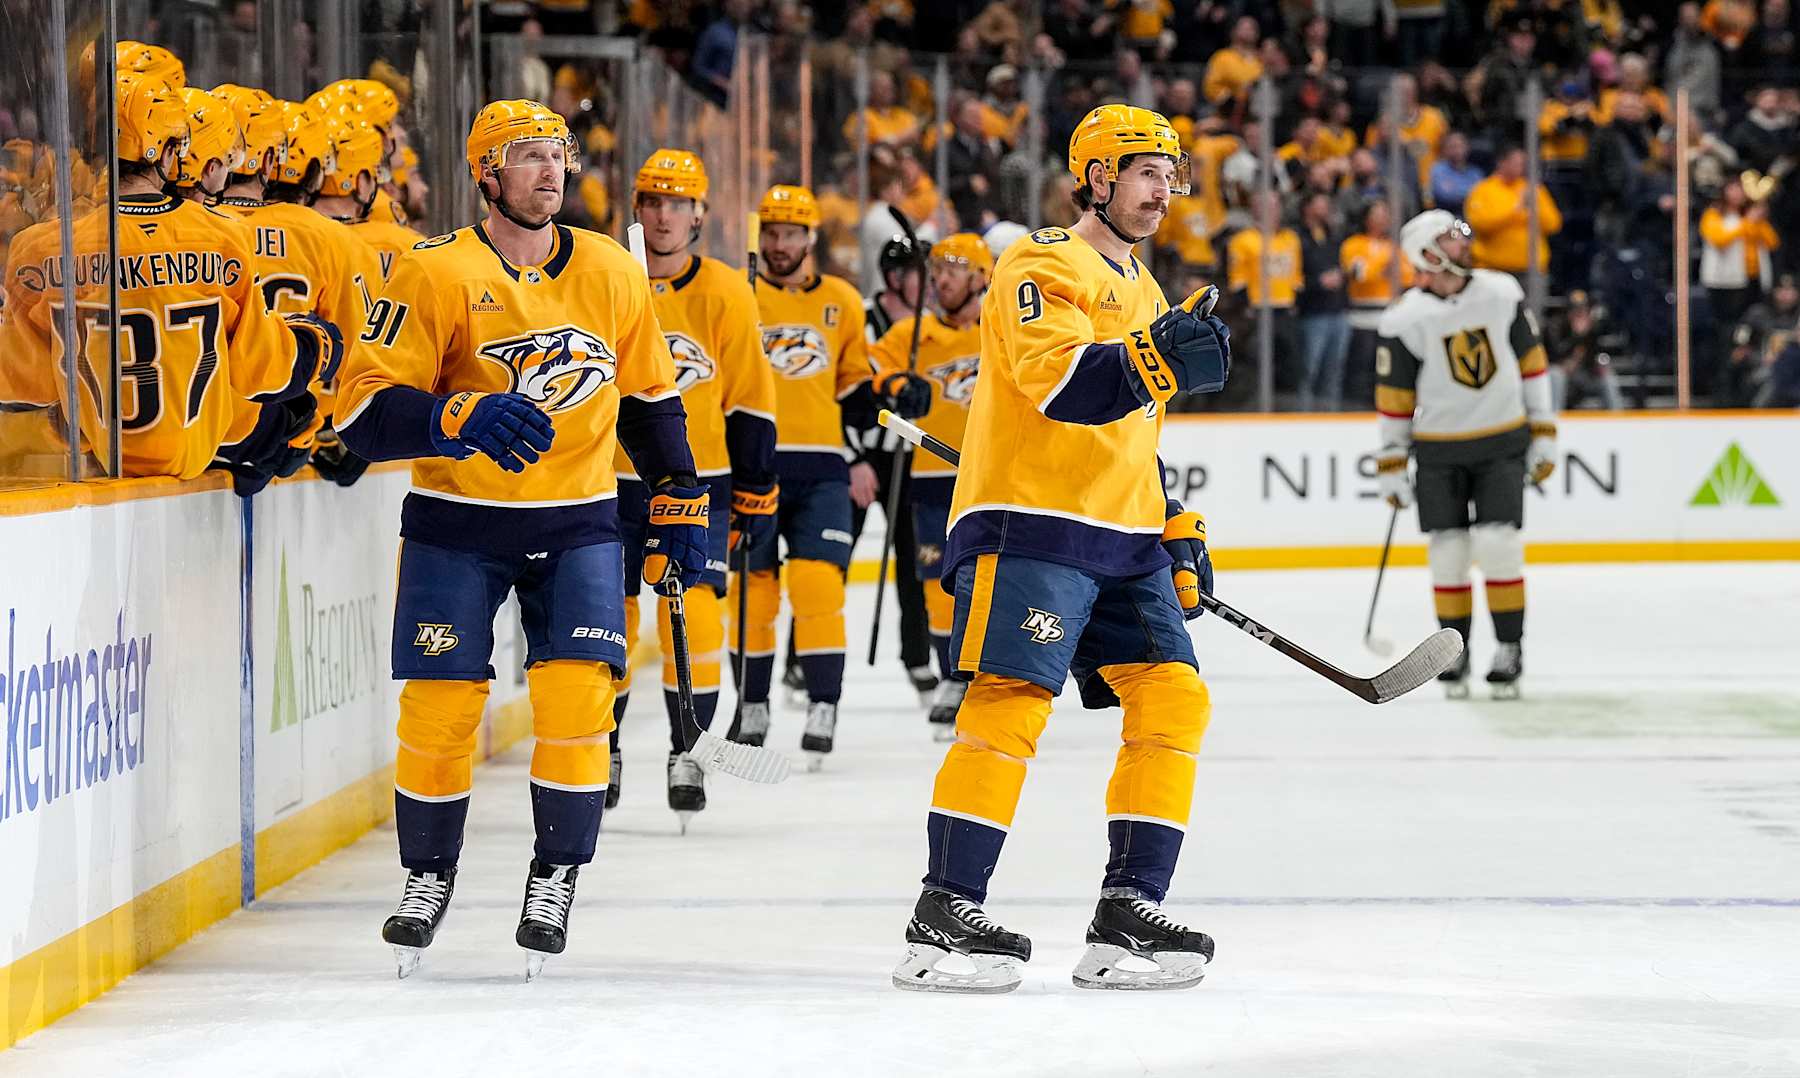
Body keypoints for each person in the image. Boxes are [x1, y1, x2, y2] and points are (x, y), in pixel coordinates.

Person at [334, 100, 707, 977]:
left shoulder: (614, 270)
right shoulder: (434, 272)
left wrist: (680, 498)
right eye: (526, 158)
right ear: (484, 175)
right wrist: (453, 413)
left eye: (557, 157)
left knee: (579, 703)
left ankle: (555, 874)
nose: (548, 173)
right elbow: (360, 413)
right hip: (455, 526)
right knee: (439, 708)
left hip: (577, 520)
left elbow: (651, 404)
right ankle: (427, 876)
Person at [892, 104, 1231, 995]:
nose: (1164, 191)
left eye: (1171, 173)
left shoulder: (1151, 290)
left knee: (1175, 699)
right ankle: (945, 912)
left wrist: (1176, 523)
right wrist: (1156, 359)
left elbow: (1131, 437)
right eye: (1146, 172)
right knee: (1012, 701)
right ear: (1098, 177)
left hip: (1124, 537)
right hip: (1033, 521)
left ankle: (1129, 911)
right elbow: (1066, 389)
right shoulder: (1041, 261)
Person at [0, 72, 332, 482]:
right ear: (169, 150)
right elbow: (261, 370)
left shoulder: (43, 245)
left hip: (93, 475)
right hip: (191, 470)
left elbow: (23, 382)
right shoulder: (221, 235)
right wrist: (317, 344)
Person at [608, 149, 777, 826]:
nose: (664, 216)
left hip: (698, 483)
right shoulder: (606, 278)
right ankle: (604, 746)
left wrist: (757, 483)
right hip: (607, 481)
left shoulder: (727, 291)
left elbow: (749, 397)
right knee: (605, 623)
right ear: (636, 209)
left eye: (678, 204)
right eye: (653, 202)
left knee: (698, 618)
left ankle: (690, 750)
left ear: (700, 214)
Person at [1374, 210, 1557, 701]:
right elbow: (1394, 397)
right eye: (1448, 238)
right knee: (1448, 555)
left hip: (1501, 441)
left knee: (1499, 547)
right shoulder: (1405, 318)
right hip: (1438, 451)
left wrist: (1544, 431)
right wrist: (1391, 460)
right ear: (1426, 254)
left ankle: (1509, 648)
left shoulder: (1501, 292)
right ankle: (1455, 656)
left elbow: (1533, 367)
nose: (1460, 243)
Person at [738, 184, 874, 767]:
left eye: (791, 234)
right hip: (753, 462)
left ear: (810, 238)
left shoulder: (843, 300)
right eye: (771, 233)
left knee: (819, 588)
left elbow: (854, 388)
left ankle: (824, 704)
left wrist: (871, 440)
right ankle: (752, 704)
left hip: (822, 465)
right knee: (755, 589)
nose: (779, 244)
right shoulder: (738, 296)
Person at [217, 99, 381, 483]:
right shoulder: (334, 239)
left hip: (198, 428)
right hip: (292, 439)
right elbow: (360, 361)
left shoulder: (204, 228)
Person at [868, 233, 989, 738]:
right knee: (938, 584)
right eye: (937, 270)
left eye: (954, 270)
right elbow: (872, 365)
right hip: (933, 477)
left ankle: (981, 680)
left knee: (985, 585)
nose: (940, 280)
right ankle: (950, 677)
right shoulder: (912, 333)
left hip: (989, 476)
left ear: (982, 277)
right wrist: (896, 385)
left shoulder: (1002, 330)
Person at [849, 231, 936, 706]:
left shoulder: (932, 324)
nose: (927, 284)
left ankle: (918, 659)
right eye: (917, 275)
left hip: (912, 456)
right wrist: (854, 459)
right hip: (862, 456)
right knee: (829, 560)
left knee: (915, 560)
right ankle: (803, 661)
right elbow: (846, 389)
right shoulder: (862, 318)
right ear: (894, 277)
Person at [1341, 200, 1414, 408]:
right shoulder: (1354, 244)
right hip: (1361, 316)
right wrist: (1382, 269)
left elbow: (1408, 277)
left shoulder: (1393, 247)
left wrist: (1390, 272)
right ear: (1366, 217)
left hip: (1389, 314)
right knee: (1360, 367)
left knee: (1383, 366)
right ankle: (1354, 408)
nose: (1383, 219)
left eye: (1385, 214)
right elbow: (1357, 273)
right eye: (1378, 214)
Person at [1463, 145, 1562, 279]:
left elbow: (1553, 224)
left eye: (1522, 163)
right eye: (1516, 162)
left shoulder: (1533, 189)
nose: (1520, 167)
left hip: (1531, 267)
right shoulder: (1483, 190)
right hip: (1493, 268)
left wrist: (1534, 208)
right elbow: (1480, 224)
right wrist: (1516, 209)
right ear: (1502, 162)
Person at [1297, 191, 1350, 411]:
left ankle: (1330, 416)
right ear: (1307, 208)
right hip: (1313, 312)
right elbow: (1295, 278)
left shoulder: (1332, 236)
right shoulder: (1298, 237)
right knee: (1309, 370)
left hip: (1337, 310)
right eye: (1321, 204)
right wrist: (1319, 282)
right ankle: (1304, 415)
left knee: (1334, 371)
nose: (1326, 209)